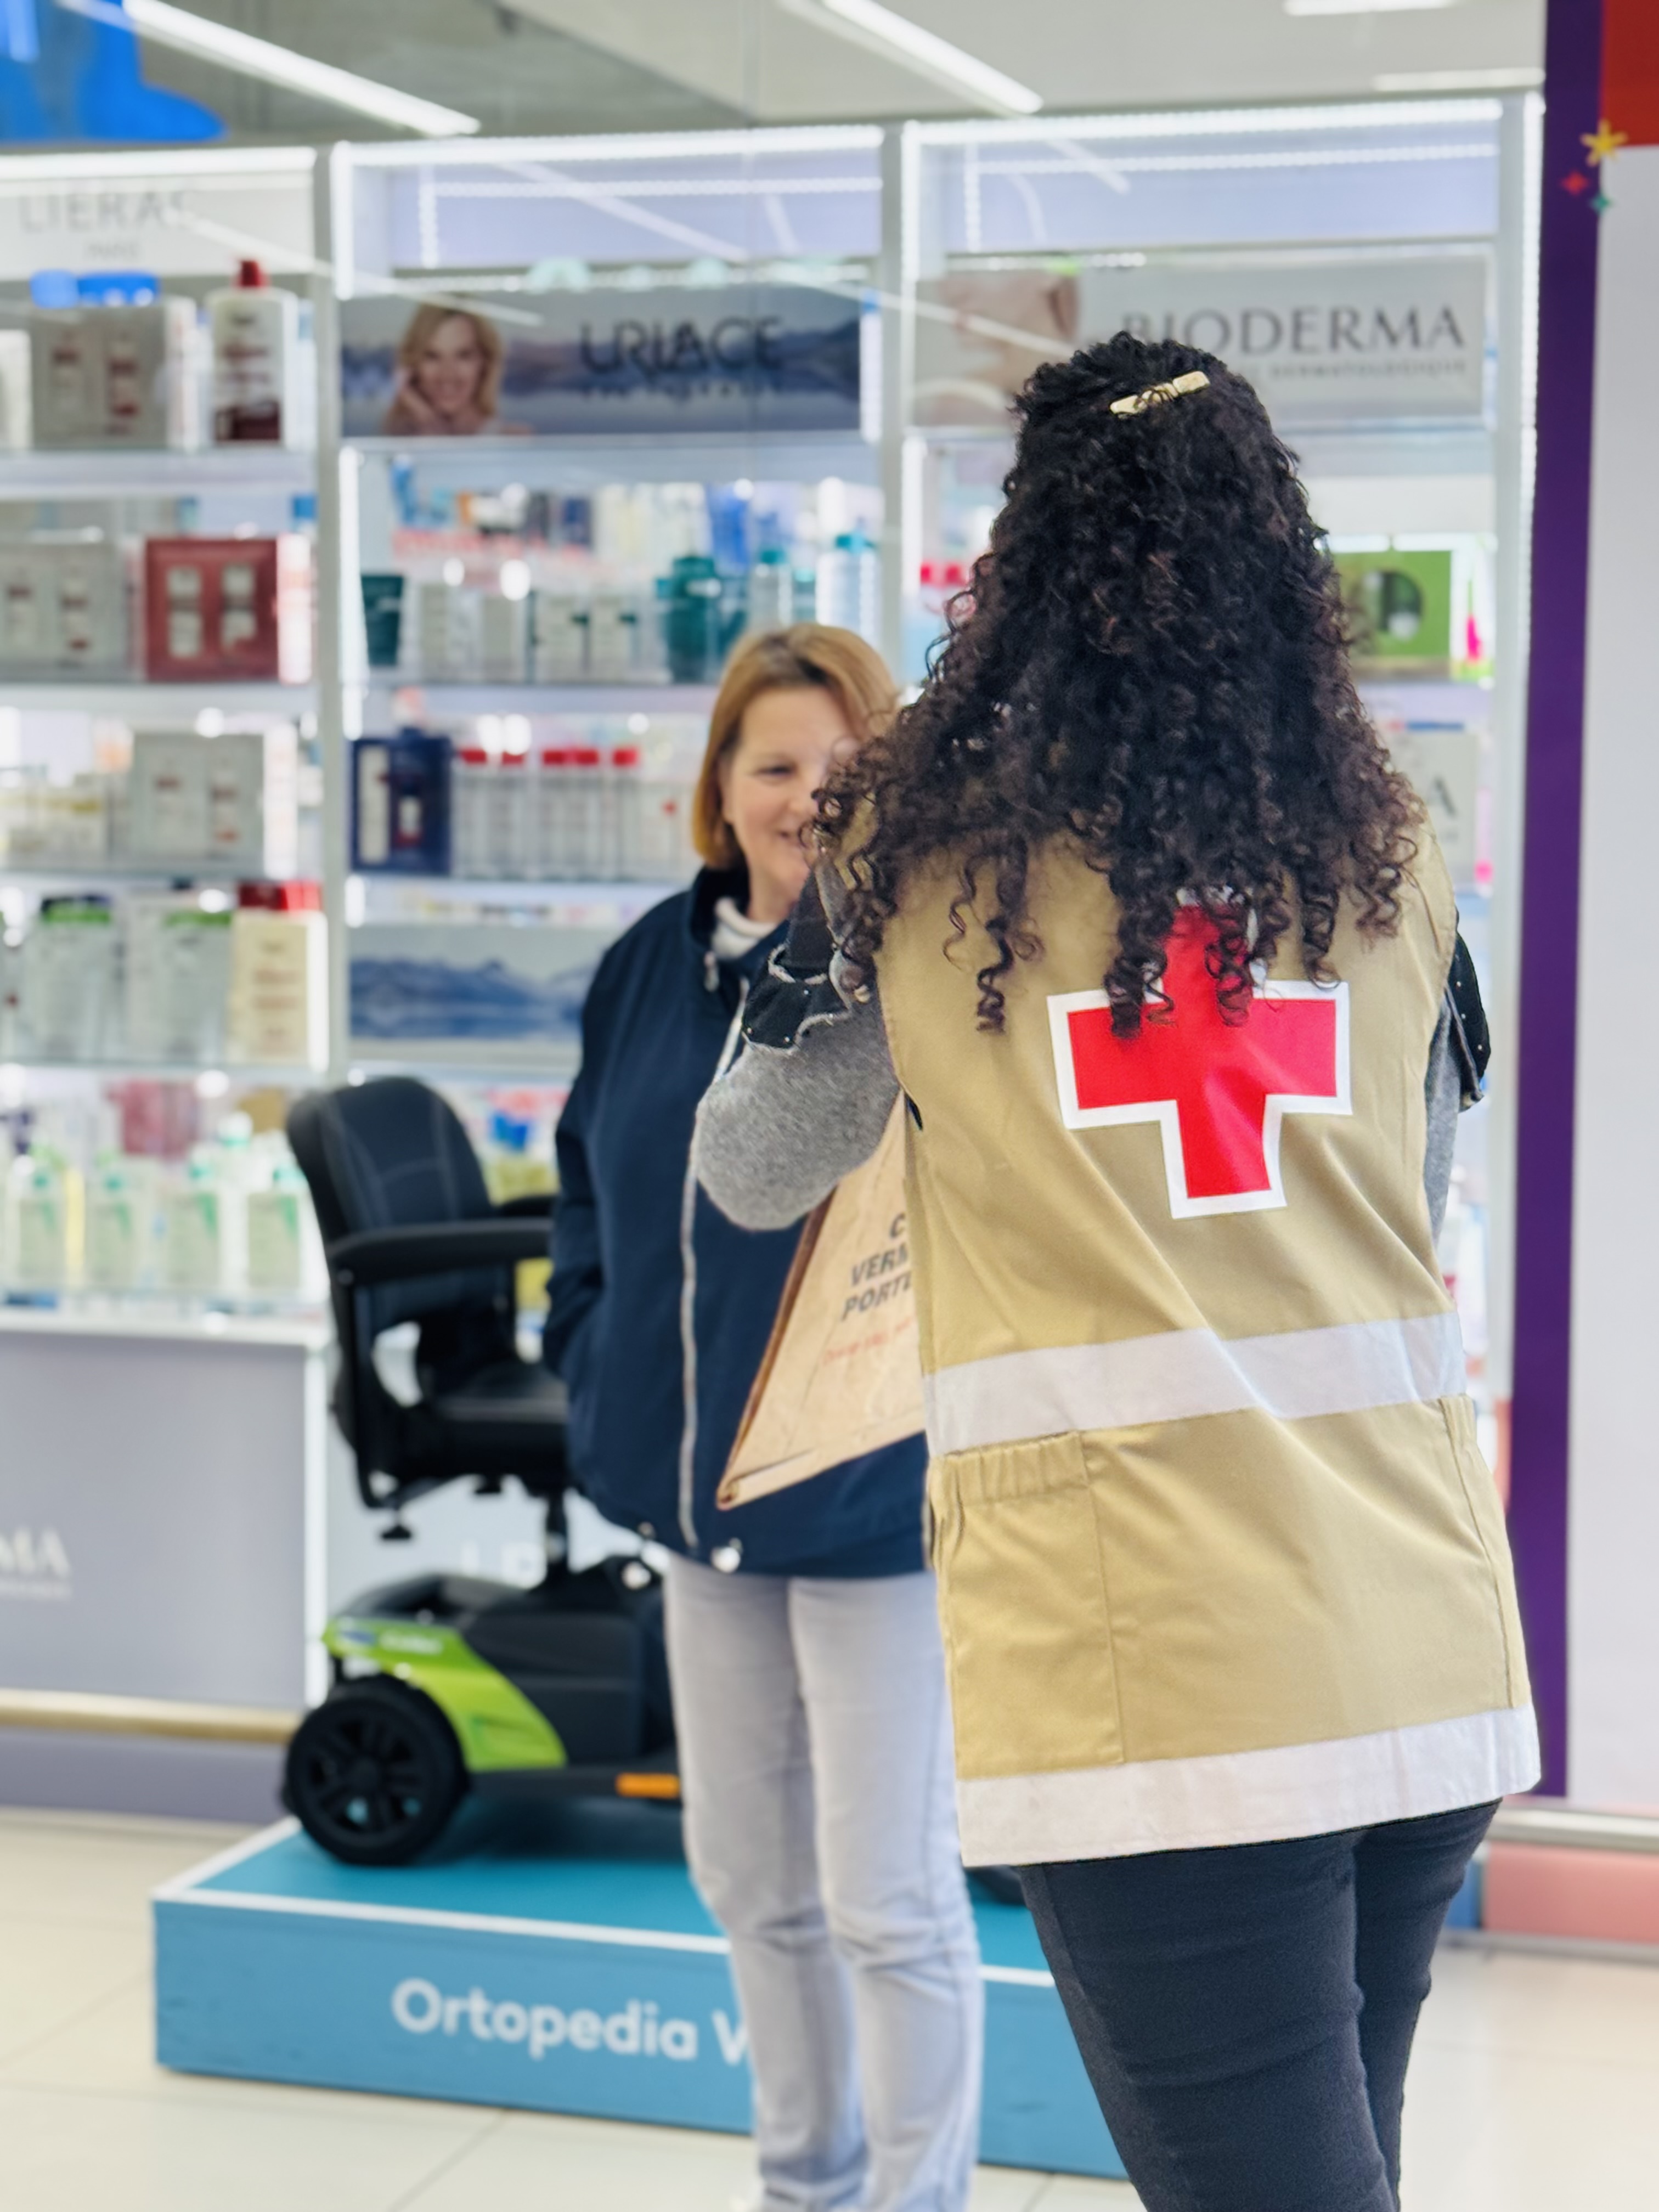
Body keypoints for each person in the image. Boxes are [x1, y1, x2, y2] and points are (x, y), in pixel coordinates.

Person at [695, 338, 1538, 2212]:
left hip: (1157, 1668)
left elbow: (749, 1169)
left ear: (1021, 576)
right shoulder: (1388, 847)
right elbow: (1411, 1192)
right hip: (1415, 1634)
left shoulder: (924, 869)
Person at [545, 625, 983, 2212]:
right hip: (695, 1509)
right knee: (749, 1887)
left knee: (886, 1899)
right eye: (776, 763)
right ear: (720, 788)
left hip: (873, 1514)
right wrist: (586, 1345)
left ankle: (917, 2200)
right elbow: (585, 1188)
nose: (809, 797)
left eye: (844, 767)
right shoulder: (644, 968)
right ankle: (806, 2186)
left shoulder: (931, 968)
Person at [382, 305, 507, 435]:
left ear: (484, 362)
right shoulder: (398, 439)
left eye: (463, 355)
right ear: (413, 366)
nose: (448, 374)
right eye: (432, 356)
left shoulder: (511, 439)